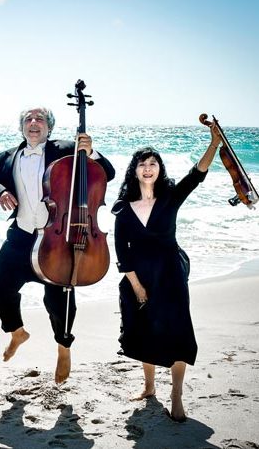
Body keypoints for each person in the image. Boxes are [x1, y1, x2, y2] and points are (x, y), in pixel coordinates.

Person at [0, 107, 115, 384]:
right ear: (22, 127)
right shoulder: (8, 157)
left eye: (39, 119)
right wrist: (0, 192)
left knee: (60, 300)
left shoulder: (66, 149)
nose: (33, 123)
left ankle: (64, 348)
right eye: (28, 119)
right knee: (1, 284)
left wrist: (91, 152)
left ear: (49, 127)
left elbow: (106, 173)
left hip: (59, 237)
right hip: (22, 235)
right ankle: (17, 332)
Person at [111, 125, 222, 422]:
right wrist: (136, 286)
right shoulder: (123, 208)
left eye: (153, 163)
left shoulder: (171, 197)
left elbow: (196, 174)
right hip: (138, 275)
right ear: (134, 171)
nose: (148, 168)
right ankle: (149, 387)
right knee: (144, 331)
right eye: (142, 164)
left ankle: (176, 394)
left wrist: (213, 144)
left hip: (170, 272)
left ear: (159, 169)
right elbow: (121, 251)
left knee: (177, 332)